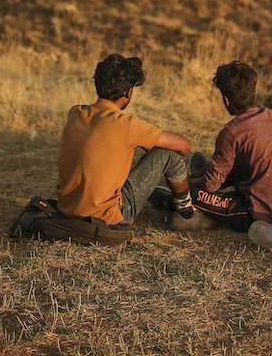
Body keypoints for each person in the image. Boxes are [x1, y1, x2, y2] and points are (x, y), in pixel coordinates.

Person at [56, 53, 195, 226]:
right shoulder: (126, 124)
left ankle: (167, 201)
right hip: (106, 217)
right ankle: (187, 214)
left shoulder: (76, 113)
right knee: (169, 154)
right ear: (128, 92)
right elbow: (184, 146)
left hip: (66, 210)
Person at [175, 60, 272, 231]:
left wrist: (185, 185)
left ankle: (172, 199)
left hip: (260, 216)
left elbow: (211, 186)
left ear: (226, 100)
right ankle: (196, 182)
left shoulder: (232, 131)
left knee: (186, 193)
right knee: (226, 167)